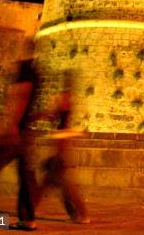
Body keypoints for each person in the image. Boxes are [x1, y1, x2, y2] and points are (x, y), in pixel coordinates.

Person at [0, 46, 39, 231]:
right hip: (26, 132)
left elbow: (21, 96)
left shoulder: (25, 70)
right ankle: (28, 220)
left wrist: (10, 124)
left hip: (17, 133)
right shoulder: (36, 71)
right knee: (27, 176)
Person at [34, 70, 89, 224]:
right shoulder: (68, 100)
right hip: (60, 147)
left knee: (66, 186)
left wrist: (47, 114)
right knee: (47, 182)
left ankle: (84, 215)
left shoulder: (65, 100)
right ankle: (31, 209)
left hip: (61, 149)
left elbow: (57, 121)